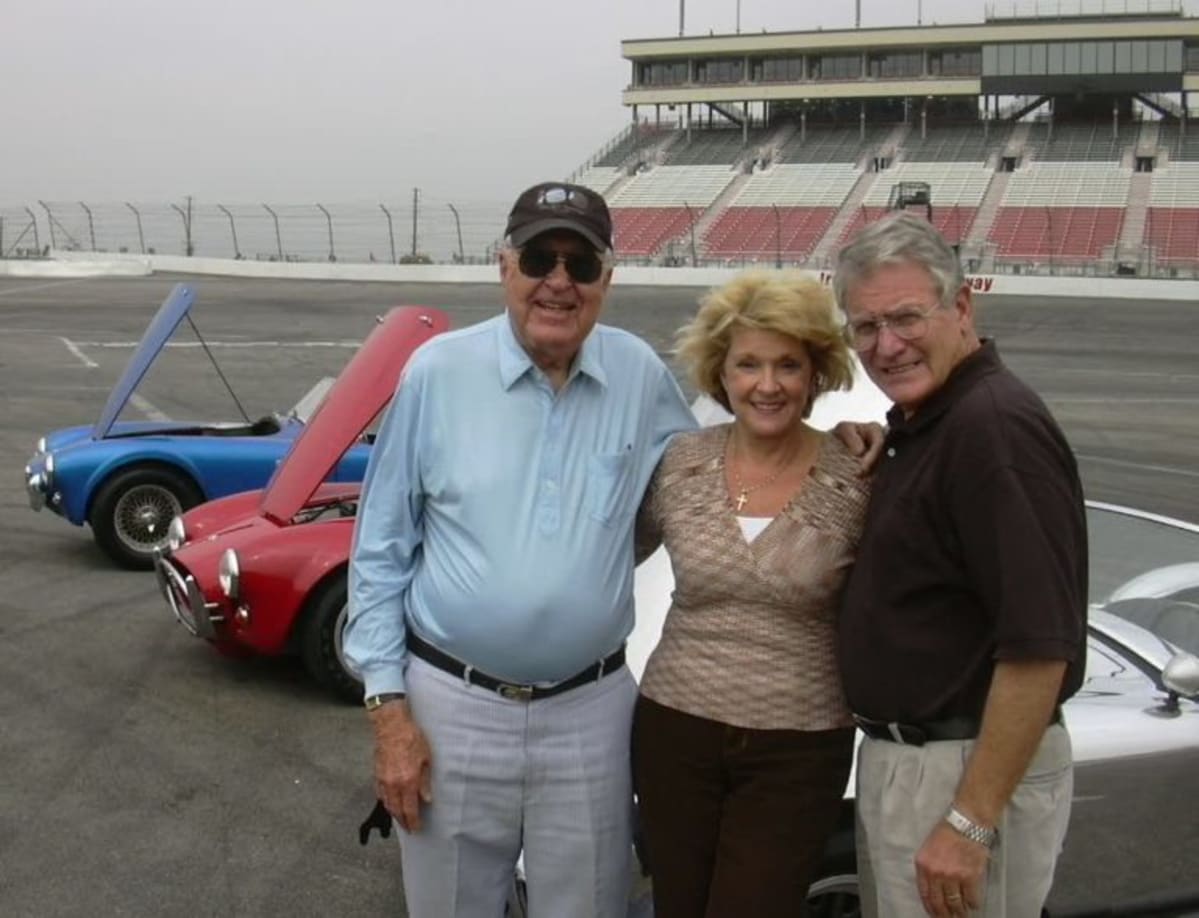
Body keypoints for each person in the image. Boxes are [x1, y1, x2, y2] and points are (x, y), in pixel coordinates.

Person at [345, 181, 697, 918]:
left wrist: (841, 447)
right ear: (505, 266)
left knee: (590, 907)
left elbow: (718, 470)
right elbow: (379, 549)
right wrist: (389, 714)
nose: (558, 282)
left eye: (581, 263)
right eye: (540, 257)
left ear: (607, 279)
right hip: (451, 705)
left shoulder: (639, 375)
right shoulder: (437, 373)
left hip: (591, 709)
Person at [835, 212, 1087, 918]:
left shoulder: (992, 429)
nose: (886, 346)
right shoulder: (930, 423)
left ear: (961, 307)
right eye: (864, 328)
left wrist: (969, 822)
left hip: (959, 771)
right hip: (915, 763)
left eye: (906, 318)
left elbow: (1039, 650)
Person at [631, 271, 873, 918]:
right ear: (720, 372)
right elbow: (601, 557)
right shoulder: (679, 463)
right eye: (748, 364)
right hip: (671, 731)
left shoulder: (860, 473)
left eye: (788, 364)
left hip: (798, 746)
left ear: (816, 372)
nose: (767, 385)